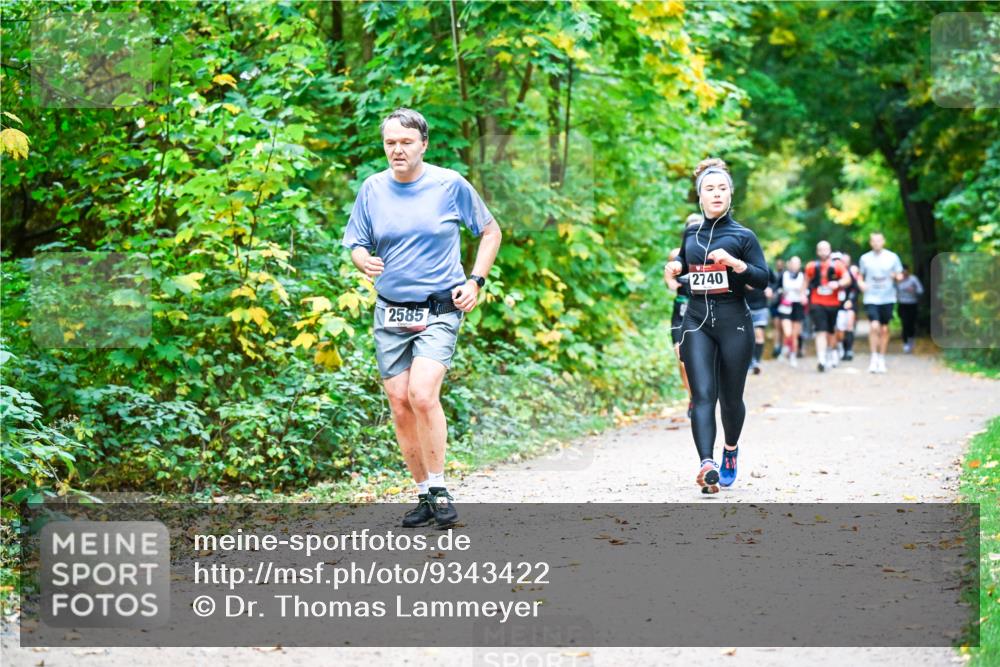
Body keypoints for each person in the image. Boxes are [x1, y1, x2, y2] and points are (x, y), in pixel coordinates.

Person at [342, 108, 502, 527]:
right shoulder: (372, 189)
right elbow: (356, 242)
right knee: (399, 404)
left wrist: (476, 281)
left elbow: (490, 232)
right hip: (390, 310)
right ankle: (423, 494)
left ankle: (440, 485)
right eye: (390, 143)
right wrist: (364, 261)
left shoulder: (449, 184)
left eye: (405, 142)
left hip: (440, 308)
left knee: (423, 394)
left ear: (423, 144)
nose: (397, 149)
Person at [665, 158, 769, 494]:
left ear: (730, 195)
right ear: (700, 196)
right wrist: (674, 267)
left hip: (734, 322)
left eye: (722, 188)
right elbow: (684, 261)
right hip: (696, 321)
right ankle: (706, 464)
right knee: (702, 395)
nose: (716, 194)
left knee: (731, 397)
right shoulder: (691, 233)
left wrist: (737, 264)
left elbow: (764, 279)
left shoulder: (744, 236)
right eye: (709, 189)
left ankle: (730, 451)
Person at [664, 213, 703, 417]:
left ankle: (705, 394)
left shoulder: (711, 253)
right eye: (691, 226)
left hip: (704, 312)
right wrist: (672, 282)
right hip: (681, 311)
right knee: (682, 359)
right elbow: (668, 276)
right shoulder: (676, 254)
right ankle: (693, 399)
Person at [858, 232, 903, 373]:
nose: (876, 243)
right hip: (871, 298)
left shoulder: (892, 257)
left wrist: (896, 276)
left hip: (887, 297)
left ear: (883, 241)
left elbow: (900, 275)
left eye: (879, 240)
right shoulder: (865, 259)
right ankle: (873, 358)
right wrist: (861, 284)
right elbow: (859, 276)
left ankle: (882, 358)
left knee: (884, 329)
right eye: (874, 241)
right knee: (874, 326)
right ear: (871, 243)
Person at [805, 241, 849, 372]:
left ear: (829, 250)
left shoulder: (838, 265)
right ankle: (821, 360)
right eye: (820, 249)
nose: (823, 252)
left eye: (825, 249)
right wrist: (802, 295)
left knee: (831, 331)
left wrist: (838, 283)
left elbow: (848, 279)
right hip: (817, 302)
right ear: (817, 251)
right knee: (820, 330)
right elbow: (805, 281)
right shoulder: (811, 266)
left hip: (833, 304)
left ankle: (831, 352)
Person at [835, 252, 861, 361]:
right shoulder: (834, 272)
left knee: (849, 326)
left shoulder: (852, 273)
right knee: (839, 329)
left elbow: (856, 288)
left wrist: (850, 300)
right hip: (837, 305)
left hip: (850, 304)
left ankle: (849, 350)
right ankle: (841, 348)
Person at [896, 263, 923, 353]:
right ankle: (905, 343)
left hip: (912, 304)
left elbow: (921, 290)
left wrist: (913, 290)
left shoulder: (913, 279)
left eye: (905, 270)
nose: (904, 272)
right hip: (902, 304)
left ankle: (911, 340)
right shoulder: (898, 280)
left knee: (911, 324)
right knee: (904, 323)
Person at [768, 258, 785, 358]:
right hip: (774, 304)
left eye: (780, 264)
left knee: (783, 327)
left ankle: (781, 347)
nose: (779, 266)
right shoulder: (772, 275)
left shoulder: (785, 275)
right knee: (776, 326)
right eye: (777, 264)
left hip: (784, 304)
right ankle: (776, 346)